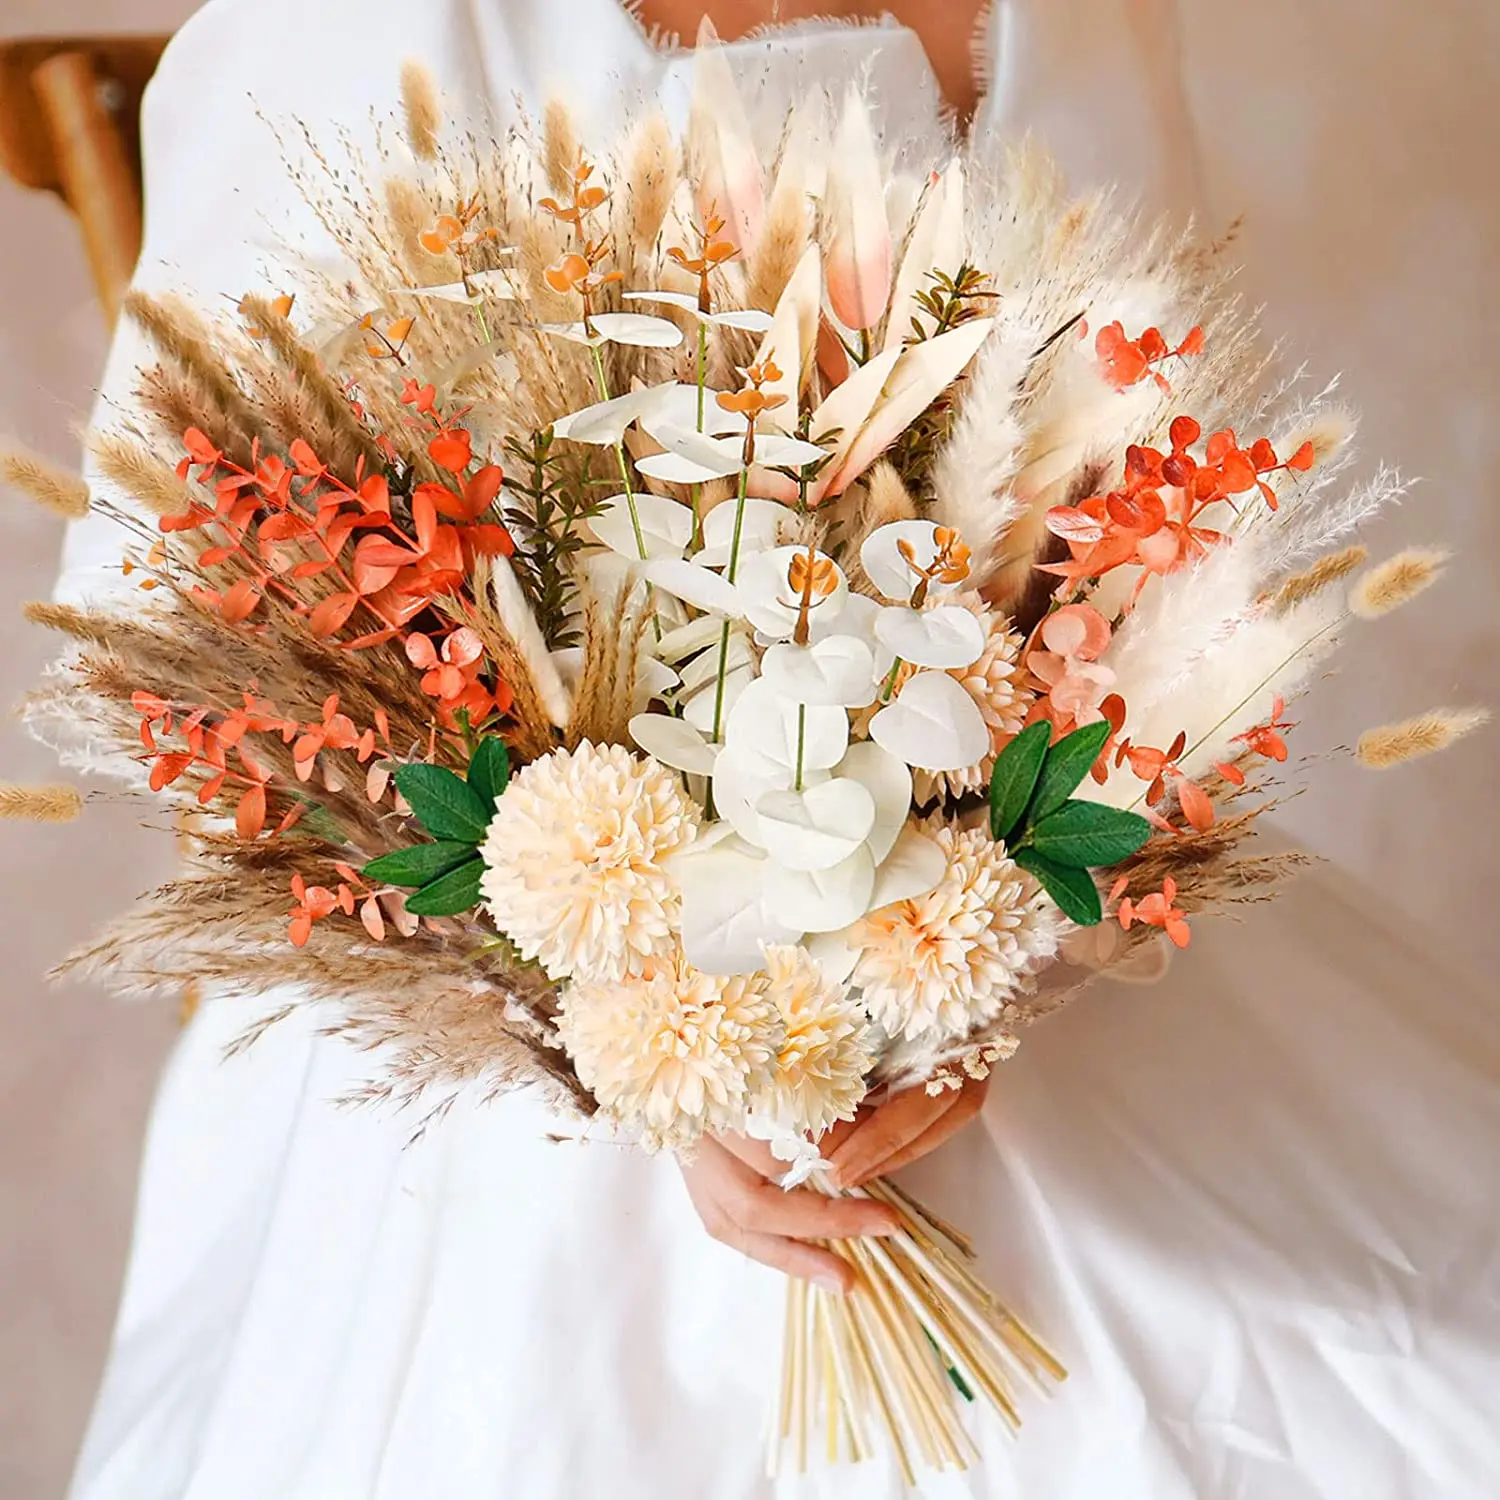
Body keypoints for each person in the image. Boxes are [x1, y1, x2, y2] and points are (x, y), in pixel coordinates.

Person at [59, 3, 1499, 1498]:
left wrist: (989, 952)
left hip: (1035, 934)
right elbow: (237, 638)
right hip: (541, 1046)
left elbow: (1154, 518)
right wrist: (640, 1035)